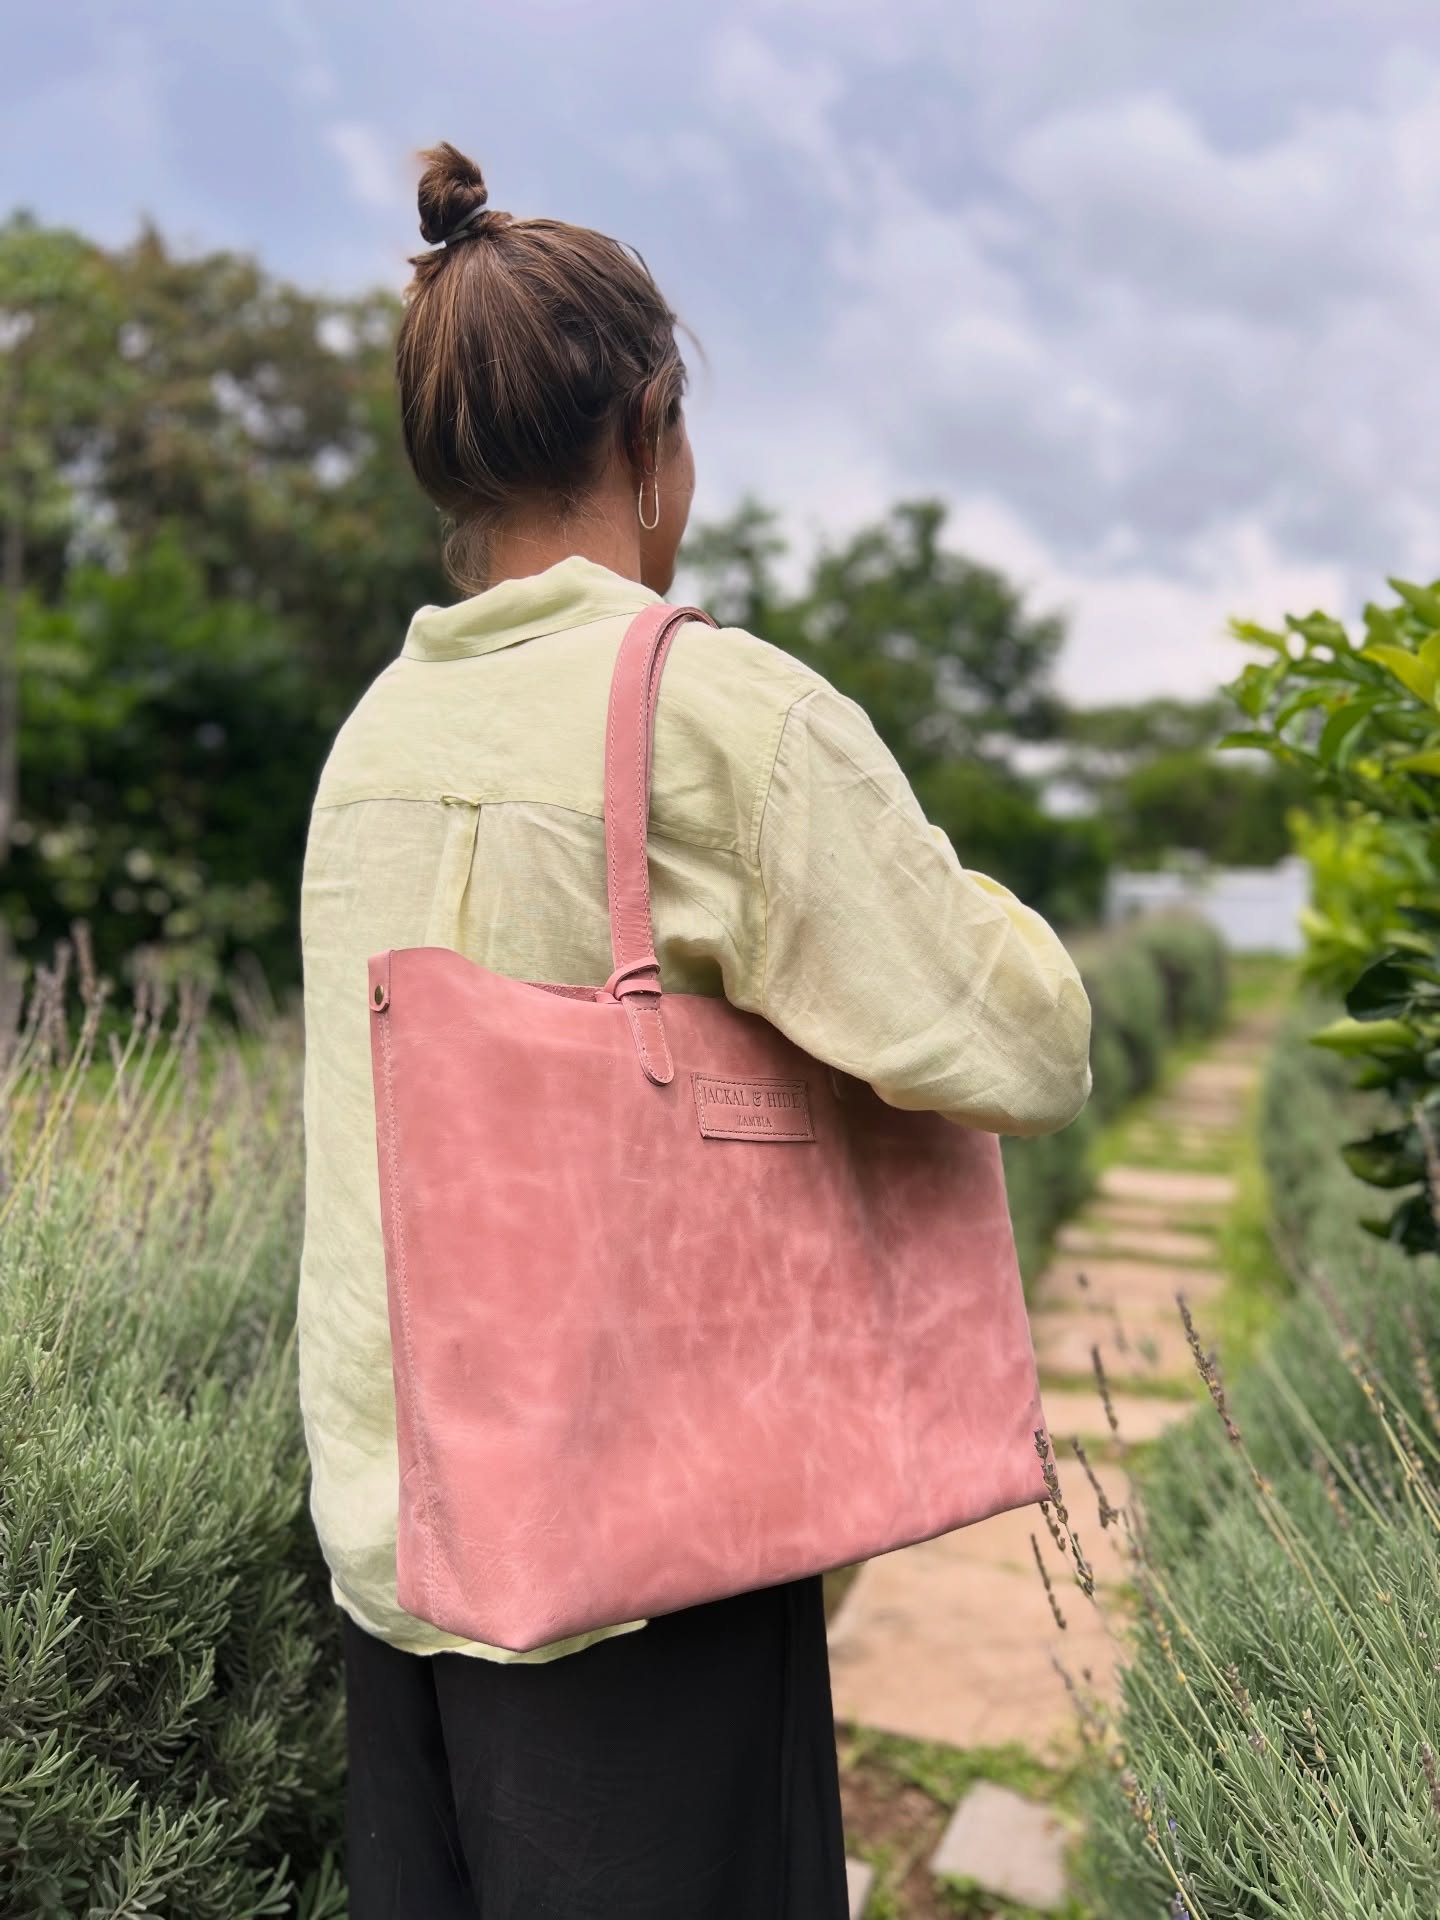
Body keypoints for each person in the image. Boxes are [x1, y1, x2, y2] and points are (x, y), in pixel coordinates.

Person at [296, 140, 1093, 1920]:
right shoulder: (711, 708)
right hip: (634, 1558)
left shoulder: (372, 741)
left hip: (398, 1539)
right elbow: (1018, 1046)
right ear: (654, 431)